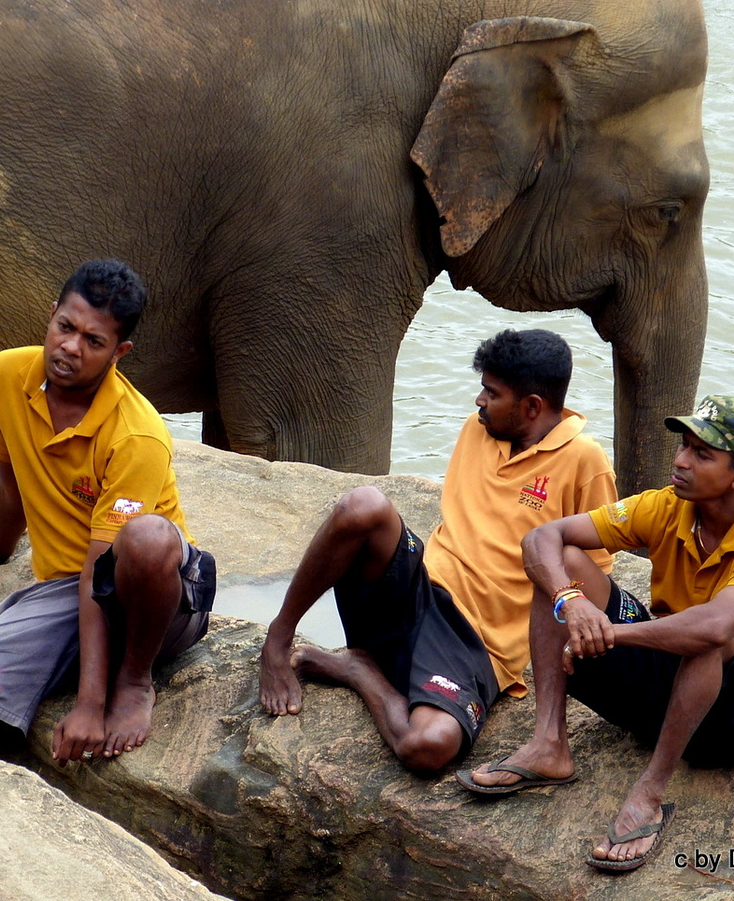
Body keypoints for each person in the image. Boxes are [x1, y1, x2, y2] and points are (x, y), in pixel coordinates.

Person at [459, 396, 734, 875]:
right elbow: (541, 538)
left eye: (702, 455)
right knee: (565, 567)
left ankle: (649, 794)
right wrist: (571, 602)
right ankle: (548, 744)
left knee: (710, 635)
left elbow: (715, 626)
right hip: (670, 690)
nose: (680, 461)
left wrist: (611, 634)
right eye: (683, 446)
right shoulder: (665, 506)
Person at [258, 329, 617, 774]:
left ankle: (359, 671)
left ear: (531, 408)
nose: (478, 401)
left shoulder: (585, 461)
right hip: (417, 586)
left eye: (492, 392)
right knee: (363, 505)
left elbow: (589, 570)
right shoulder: (480, 429)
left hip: (473, 639)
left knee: (428, 746)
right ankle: (279, 638)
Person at [0, 259, 215, 763]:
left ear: (120, 353)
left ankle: (135, 681)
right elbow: (12, 481)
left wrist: (91, 705)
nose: (71, 347)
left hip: (154, 600)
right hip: (64, 596)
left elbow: (100, 568)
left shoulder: (136, 434)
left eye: (94, 341)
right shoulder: (9, 373)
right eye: (65, 327)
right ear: (50, 316)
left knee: (147, 537)